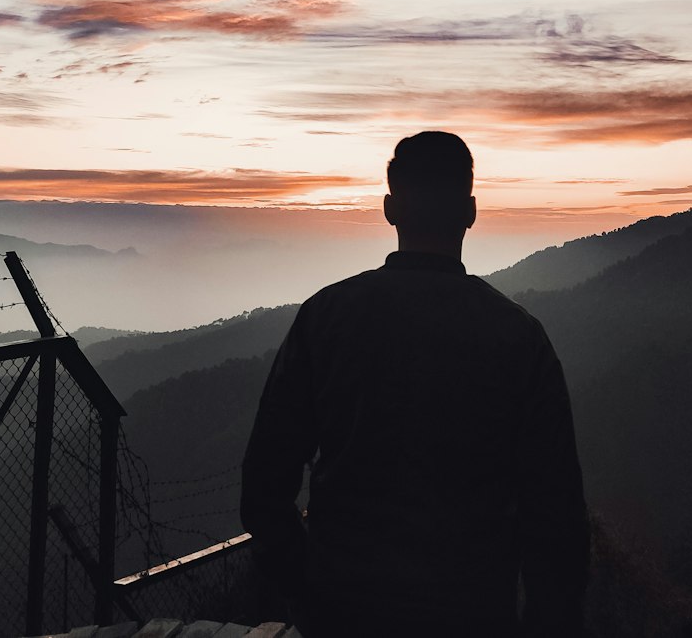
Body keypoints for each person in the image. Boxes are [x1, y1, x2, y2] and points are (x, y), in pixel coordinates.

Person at [240, 131, 590, 637]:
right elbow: (556, 517)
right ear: (470, 211)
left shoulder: (326, 319)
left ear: (389, 209)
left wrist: (308, 591)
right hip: (473, 615)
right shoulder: (519, 338)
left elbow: (264, 486)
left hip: (342, 614)